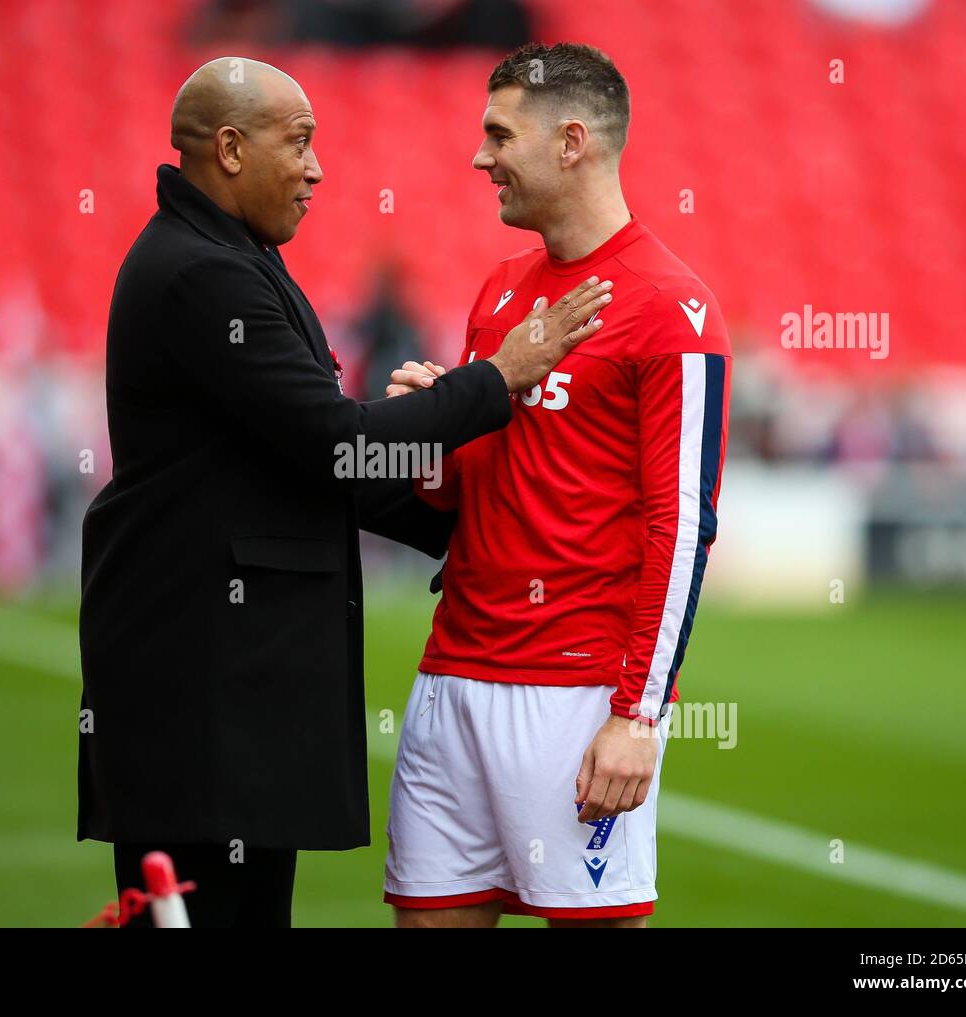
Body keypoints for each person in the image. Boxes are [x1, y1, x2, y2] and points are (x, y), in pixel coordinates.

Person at [77, 55, 613, 927]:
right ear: (230, 149)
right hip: (207, 693)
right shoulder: (202, 274)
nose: (317, 168)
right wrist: (494, 379)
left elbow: (314, 458)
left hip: (216, 690)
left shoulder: (227, 255)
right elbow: (335, 447)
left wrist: (471, 538)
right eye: (298, 143)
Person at [382, 42, 733, 927]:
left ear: (571, 140)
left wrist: (639, 715)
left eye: (499, 134)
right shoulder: (502, 292)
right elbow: (462, 494)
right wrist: (431, 435)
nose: (479, 156)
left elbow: (683, 526)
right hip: (450, 677)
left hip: (573, 698)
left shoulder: (672, 308)